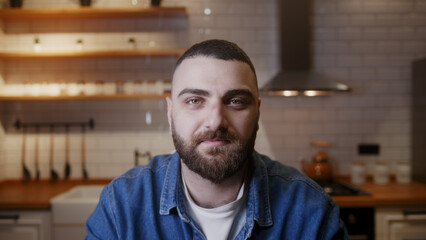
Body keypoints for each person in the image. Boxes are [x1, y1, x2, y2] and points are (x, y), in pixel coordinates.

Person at [85, 39, 347, 239]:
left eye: (235, 101)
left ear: (257, 111)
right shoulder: (121, 207)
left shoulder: (312, 212)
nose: (216, 121)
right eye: (195, 100)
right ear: (170, 112)